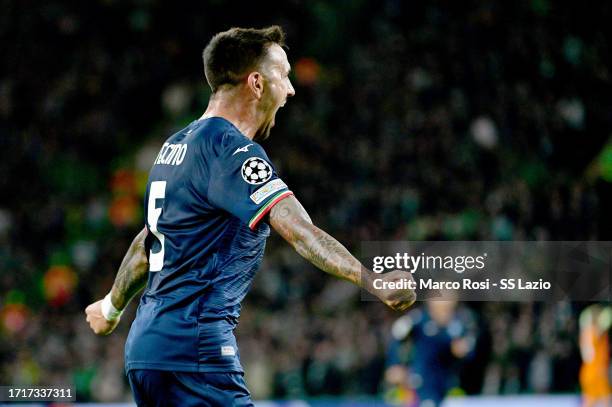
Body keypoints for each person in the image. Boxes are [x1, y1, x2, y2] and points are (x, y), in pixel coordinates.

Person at [84, 26, 415, 406]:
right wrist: (371, 281)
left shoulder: (174, 147)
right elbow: (299, 231)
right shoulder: (232, 150)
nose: (290, 90)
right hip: (196, 352)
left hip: (146, 351)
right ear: (257, 83)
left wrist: (111, 306)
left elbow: (148, 243)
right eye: (284, 76)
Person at [385, 300, 477, 407]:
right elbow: (397, 336)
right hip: (422, 383)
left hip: (452, 386)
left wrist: (463, 351)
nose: (444, 303)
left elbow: (471, 351)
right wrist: (394, 364)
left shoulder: (462, 322)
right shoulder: (417, 318)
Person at [579, 304, 611, 407]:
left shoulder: (585, 333)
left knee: (590, 401)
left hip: (588, 372)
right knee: (606, 401)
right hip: (596, 373)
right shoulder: (594, 331)